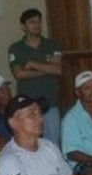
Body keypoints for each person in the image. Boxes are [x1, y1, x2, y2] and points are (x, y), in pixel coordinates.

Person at [8, 8, 63, 146]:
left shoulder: (52, 45)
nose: (37, 25)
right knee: (31, 143)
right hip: (27, 107)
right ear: (23, 26)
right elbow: (19, 74)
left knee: (53, 145)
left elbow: (58, 70)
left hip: (51, 104)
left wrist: (33, 64)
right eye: (32, 22)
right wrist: (47, 68)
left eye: (39, 21)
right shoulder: (16, 48)